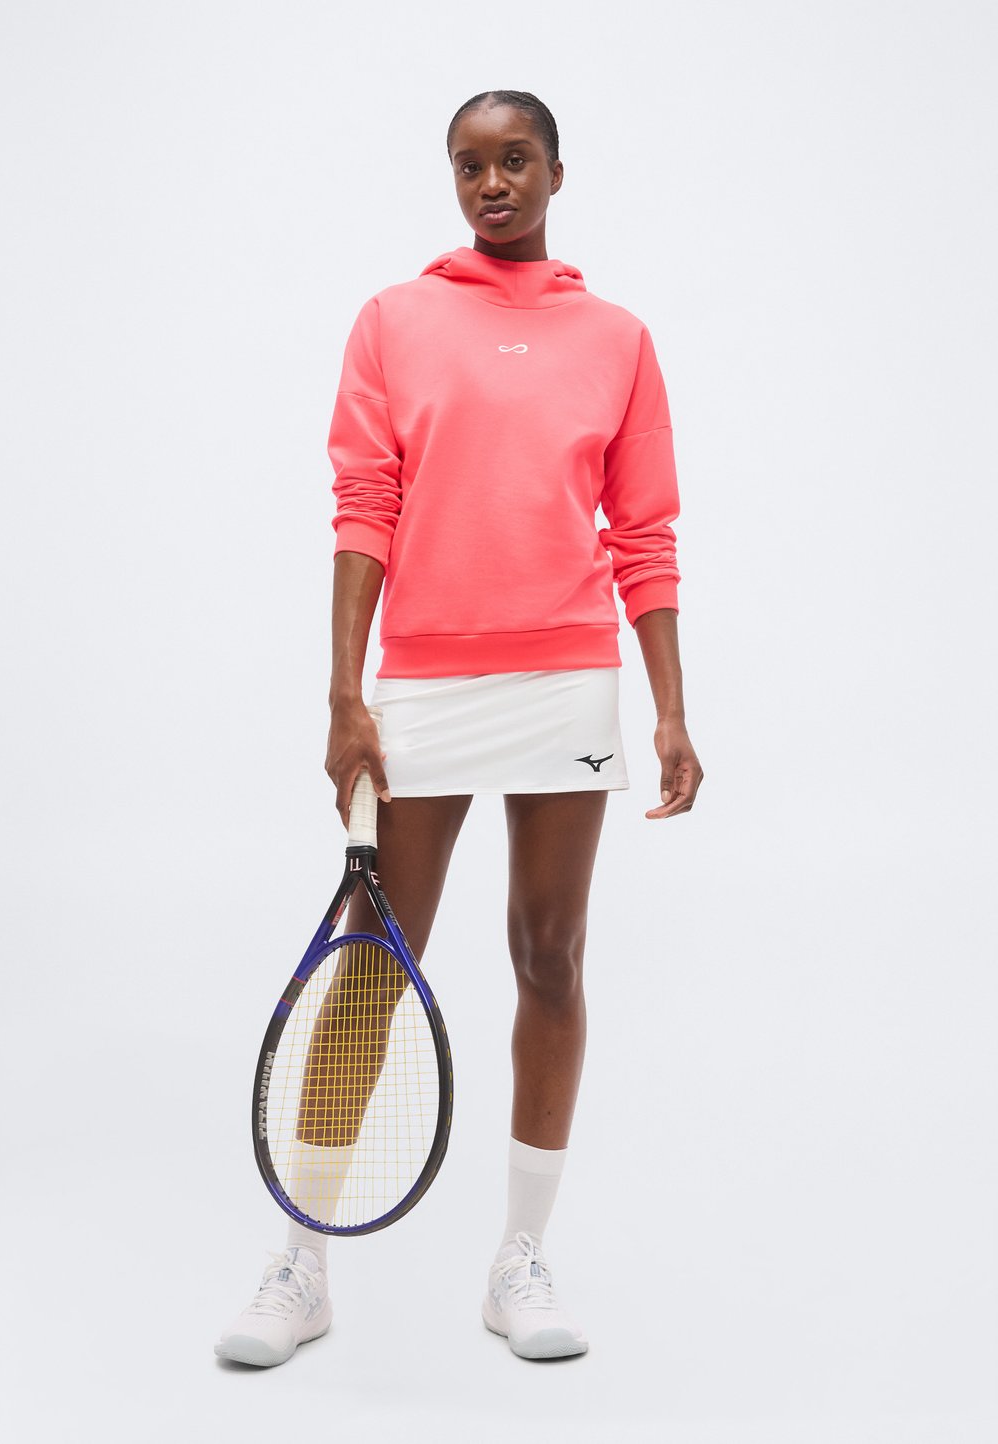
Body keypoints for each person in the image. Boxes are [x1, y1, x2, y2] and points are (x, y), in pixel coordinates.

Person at [215, 87, 703, 1369]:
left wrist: (668, 709)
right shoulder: (394, 319)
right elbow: (363, 503)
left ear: (556, 172)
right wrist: (345, 693)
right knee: (373, 963)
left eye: (515, 160)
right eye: (470, 165)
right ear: (452, 179)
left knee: (550, 954)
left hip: (566, 683)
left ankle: (518, 1259)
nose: (493, 183)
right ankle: (302, 1263)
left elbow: (644, 534)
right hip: (424, 687)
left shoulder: (618, 338)